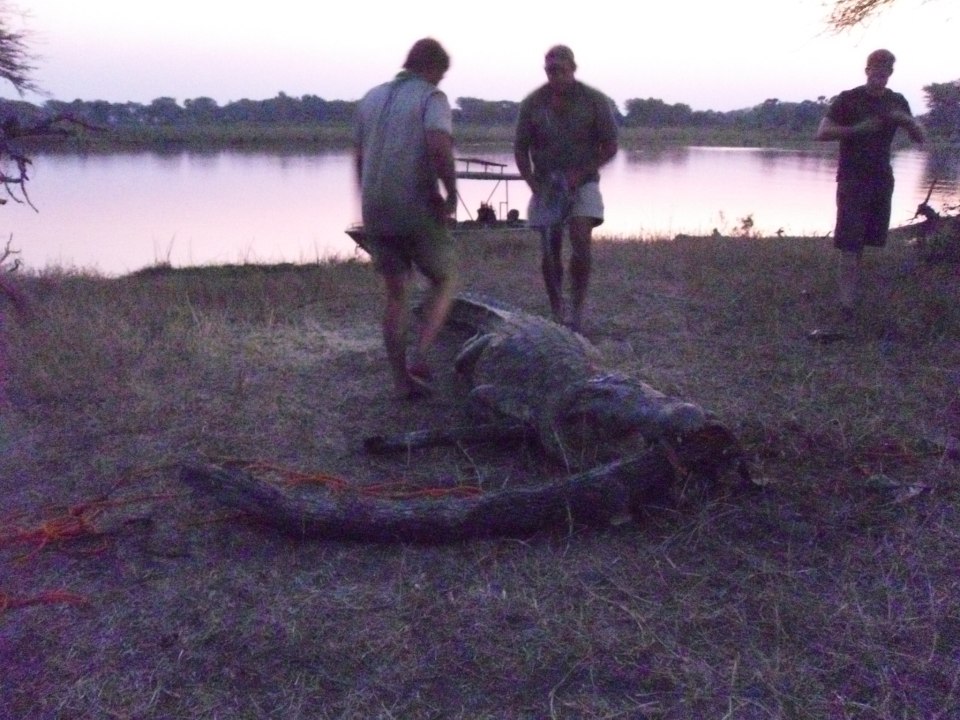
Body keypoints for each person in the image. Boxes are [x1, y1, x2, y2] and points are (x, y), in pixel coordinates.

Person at [354, 38, 458, 399]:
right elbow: (438, 145)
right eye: (440, 75)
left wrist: (365, 206)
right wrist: (451, 192)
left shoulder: (371, 98)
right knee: (445, 279)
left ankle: (401, 382)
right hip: (413, 206)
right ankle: (421, 354)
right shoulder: (431, 98)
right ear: (432, 68)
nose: (440, 83)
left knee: (396, 295)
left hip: (375, 208)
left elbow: (359, 158)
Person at [514, 44, 619, 332]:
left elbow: (611, 146)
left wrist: (581, 173)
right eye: (549, 70)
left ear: (573, 68)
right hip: (546, 184)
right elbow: (520, 150)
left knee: (581, 239)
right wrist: (533, 184)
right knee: (550, 248)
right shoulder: (532, 103)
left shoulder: (595, 101)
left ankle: (577, 310)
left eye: (559, 69)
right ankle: (556, 309)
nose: (554, 75)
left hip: (583, 182)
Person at [815, 49, 924, 315]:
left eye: (886, 70)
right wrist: (855, 130)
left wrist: (907, 121)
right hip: (852, 177)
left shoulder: (897, 101)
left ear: (891, 73)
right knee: (849, 240)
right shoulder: (848, 99)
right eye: (876, 69)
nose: (881, 74)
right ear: (867, 70)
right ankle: (846, 302)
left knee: (865, 238)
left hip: (881, 178)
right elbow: (822, 132)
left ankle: (851, 294)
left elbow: (919, 138)